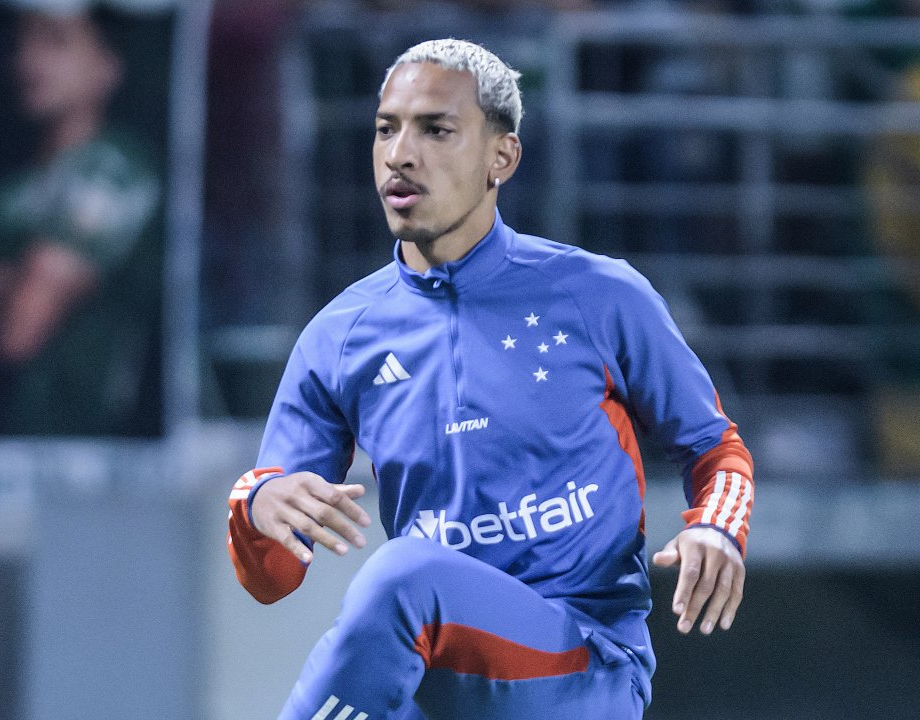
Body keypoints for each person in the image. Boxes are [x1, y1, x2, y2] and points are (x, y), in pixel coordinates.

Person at [226, 38, 754, 720]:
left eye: (435, 129)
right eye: (386, 128)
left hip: (582, 667)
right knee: (406, 585)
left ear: (501, 157)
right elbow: (273, 578)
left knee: (402, 574)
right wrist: (257, 504)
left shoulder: (598, 295)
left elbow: (718, 449)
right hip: (437, 682)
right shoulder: (338, 337)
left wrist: (716, 528)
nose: (399, 153)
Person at [0, 6, 161, 437]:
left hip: (87, 447)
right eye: (21, 43)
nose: (30, 60)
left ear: (108, 67)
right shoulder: (10, 188)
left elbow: (20, 328)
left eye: (56, 41)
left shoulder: (113, 172)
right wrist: (13, 277)